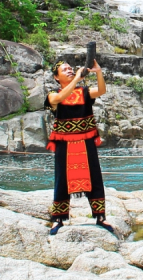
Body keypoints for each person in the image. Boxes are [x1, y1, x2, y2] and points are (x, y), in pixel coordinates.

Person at [47, 60, 113, 235]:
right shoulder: (52, 95)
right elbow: (60, 99)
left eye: (70, 68)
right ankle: (58, 219)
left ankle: (100, 217)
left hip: (86, 140)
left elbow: (101, 90)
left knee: (94, 176)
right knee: (62, 179)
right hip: (64, 143)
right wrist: (76, 78)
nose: (69, 70)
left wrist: (98, 71)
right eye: (64, 69)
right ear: (56, 77)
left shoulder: (83, 92)